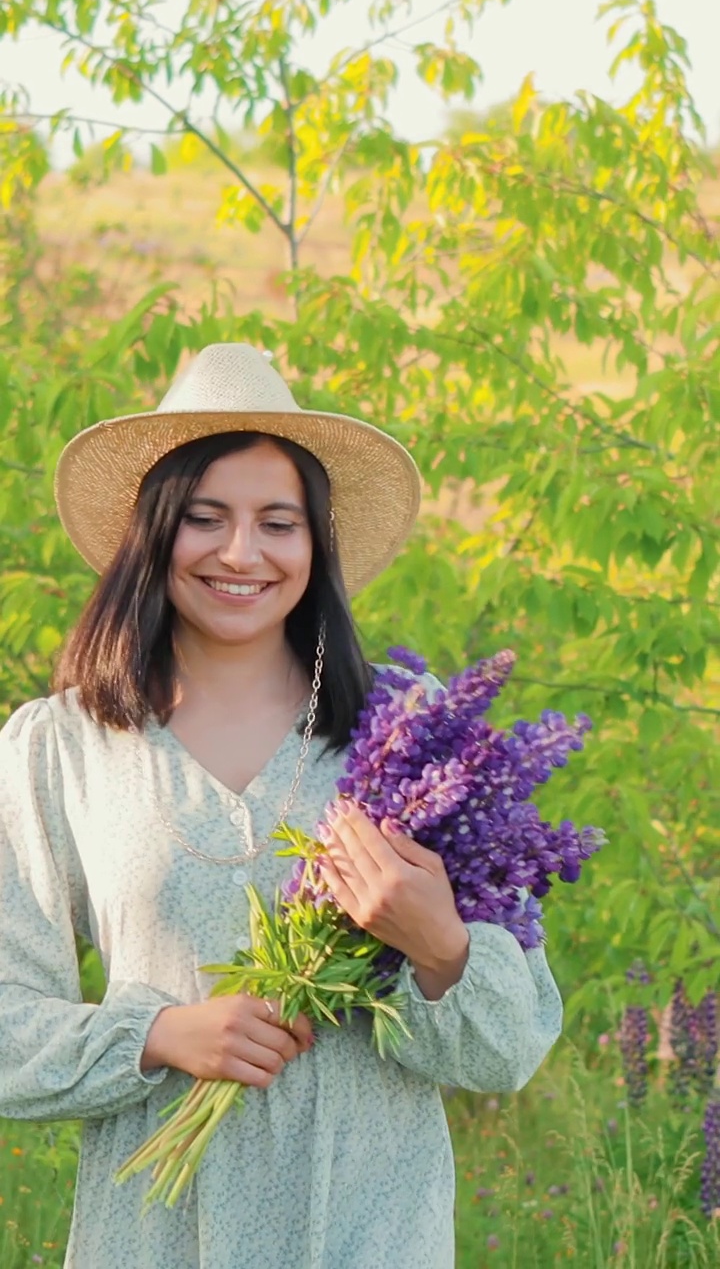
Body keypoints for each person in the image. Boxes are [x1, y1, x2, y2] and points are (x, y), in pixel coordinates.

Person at [0, 343, 563, 1269]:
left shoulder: (415, 737)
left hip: (370, 1232)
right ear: (154, 533)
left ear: (317, 544)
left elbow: (508, 1052)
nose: (239, 552)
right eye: (204, 518)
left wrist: (439, 943)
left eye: (278, 522)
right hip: (152, 1237)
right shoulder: (59, 747)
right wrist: (159, 1035)